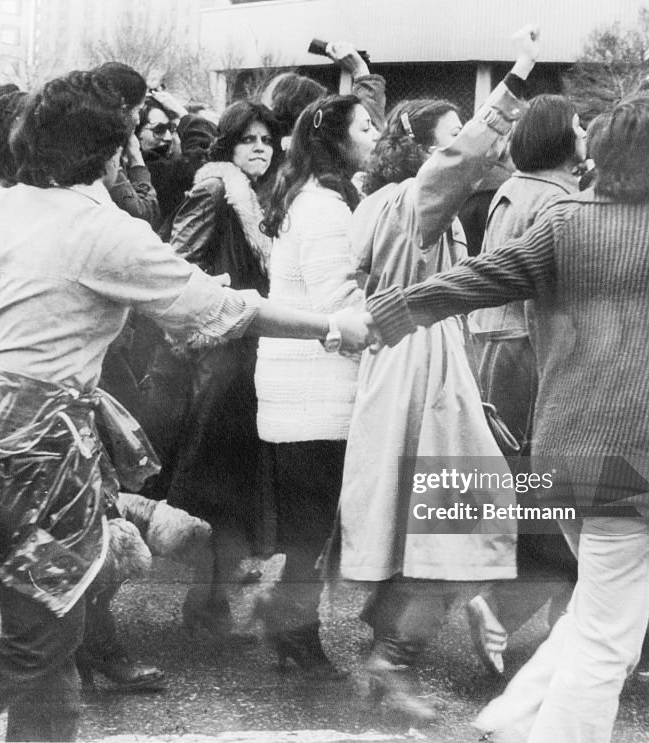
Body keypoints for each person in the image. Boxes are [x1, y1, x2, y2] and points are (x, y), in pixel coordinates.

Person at [0, 71, 371, 741]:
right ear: (110, 152)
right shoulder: (107, 233)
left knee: (52, 640)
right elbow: (229, 310)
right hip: (36, 472)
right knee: (38, 643)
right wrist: (331, 325)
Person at [359, 90, 649, 743]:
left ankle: (508, 719)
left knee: (601, 611)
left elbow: (475, 278)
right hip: (648, 464)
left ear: (599, 152)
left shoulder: (567, 221)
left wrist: (382, 315)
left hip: (562, 459)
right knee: (606, 644)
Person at [341, 30, 536, 721]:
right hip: (424, 365)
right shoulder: (418, 200)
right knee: (457, 515)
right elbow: (461, 160)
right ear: (429, 152)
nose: (475, 147)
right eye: (452, 136)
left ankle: (390, 648)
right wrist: (513, 83)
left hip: (408, 363)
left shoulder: (388, 199)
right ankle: (393, 660)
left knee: (422, 518)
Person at [144, 101, 283, 641]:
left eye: (267, 141)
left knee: (238, 480)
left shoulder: (263, 198)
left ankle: (212, 595)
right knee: (215, 478)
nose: (259, 149)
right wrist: (217, 294)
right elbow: (178, 262)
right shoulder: (215, 189)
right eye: (248, 140)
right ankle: (205, 598)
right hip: (219, 355)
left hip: (254, 351)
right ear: (228, 144)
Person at [253, 93, 379, 679]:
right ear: (337, 140)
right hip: (316, 387)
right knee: (313, 523)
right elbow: (340, 303)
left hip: (300, 382)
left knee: (311, 522)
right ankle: (294, 629)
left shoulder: (304, 197)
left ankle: (291, 623)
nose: (375, 134)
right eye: (366, 125)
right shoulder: (326, 207)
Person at [466, 94, 586, 676]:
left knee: (520, 490)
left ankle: (543, 623)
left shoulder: (512, 190)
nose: (586, 134)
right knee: (554, 500)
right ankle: (507, 611)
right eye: (579, 125)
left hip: (492, 348)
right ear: (562, 137)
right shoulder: (560, 200)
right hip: (533, 355)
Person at [91, 61, 161, 228]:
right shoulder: (104, 156)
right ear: (121, 108)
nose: (137, 119)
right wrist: (137, 160)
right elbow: (144, 214)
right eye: (136, 110)